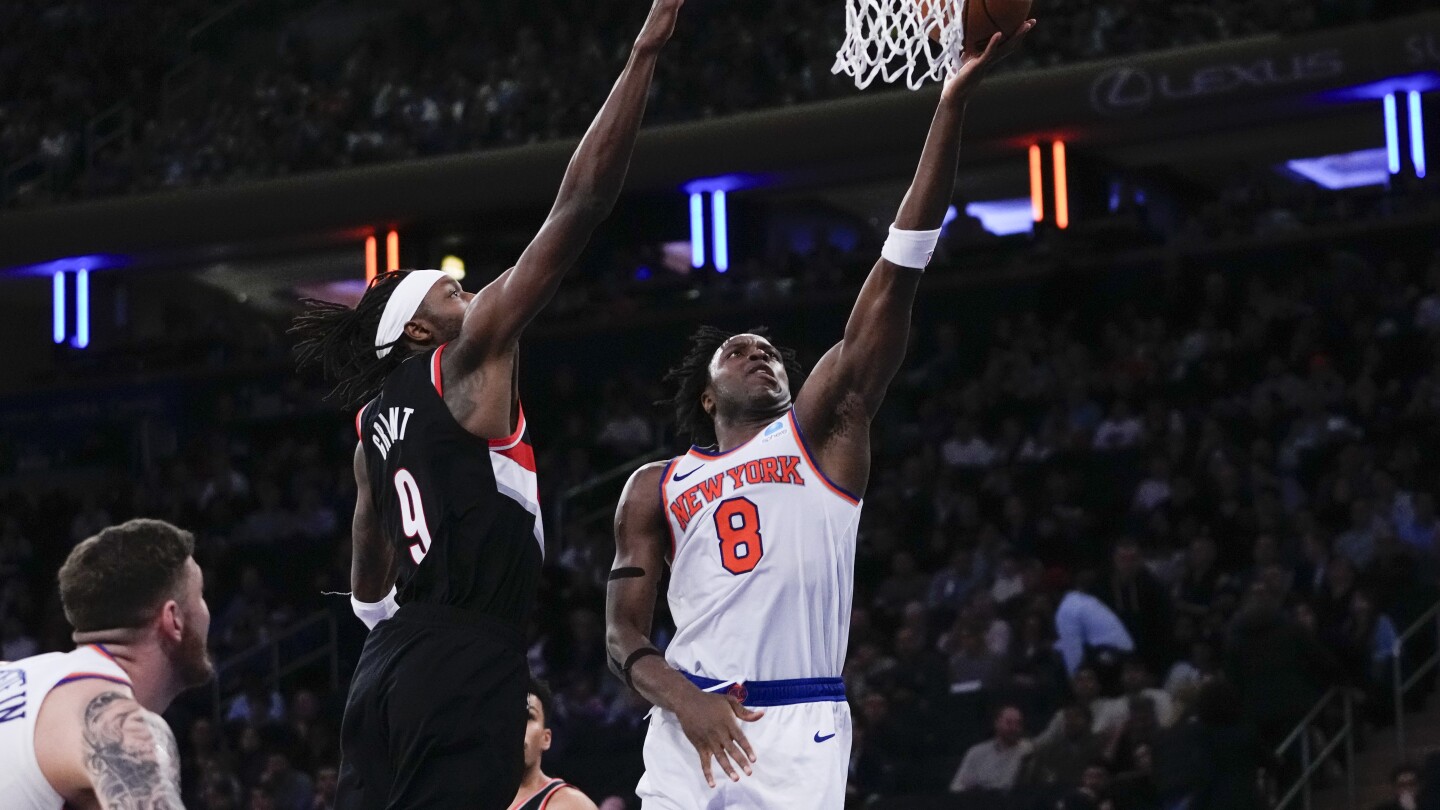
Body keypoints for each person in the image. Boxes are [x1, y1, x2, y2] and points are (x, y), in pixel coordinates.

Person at [603, 20, 1035, 809]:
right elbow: (622, 635)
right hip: (687, 717)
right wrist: (683, 700)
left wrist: (950, 107)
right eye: (737, 350)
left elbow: (897, 272)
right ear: (706, 394)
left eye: (769, 350)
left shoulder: (820, 436)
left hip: (800, 723)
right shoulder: (654, 485)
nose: (758, 354)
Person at [288, 3, 684, 808]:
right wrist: (644, 51)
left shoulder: (370, 427)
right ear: (419, 329)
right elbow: (579, 207)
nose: (472, 294)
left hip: (384, 671)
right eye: (454, 289)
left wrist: (385, 619)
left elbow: (368, 565)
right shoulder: (463, 358)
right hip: (466, 654)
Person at [0, 518, 213, 809]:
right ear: (173, 619)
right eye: (200, 596)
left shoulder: (13, 673)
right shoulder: (119, 724)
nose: (206, 612)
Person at [508, 678, 598, 810]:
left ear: (546, 739)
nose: (518, 727)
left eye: (529, 717)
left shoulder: (569, 805)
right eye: (508, 717)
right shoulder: (473, 797)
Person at [949, 705, 1033, 795]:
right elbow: (956, 786)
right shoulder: (976, 752)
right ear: (997, 723)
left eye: (1018, 724)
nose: (1014, 728)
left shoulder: (1027, 750)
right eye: (1009, 723)